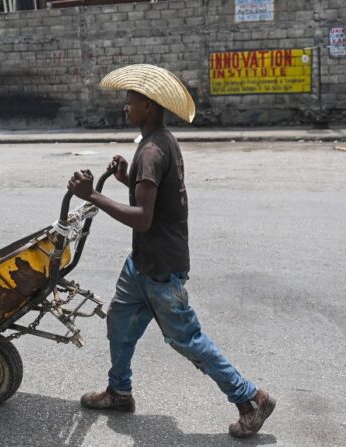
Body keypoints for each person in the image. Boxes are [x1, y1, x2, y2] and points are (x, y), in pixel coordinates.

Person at [66, 64, 275, 439]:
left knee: (187, 339)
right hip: (141, 265)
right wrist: (125, 178)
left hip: (160, 268)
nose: (125, 108)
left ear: (149, 106)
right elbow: (155, 197)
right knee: (119, 322)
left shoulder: (151, 151)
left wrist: (92, 195)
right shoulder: (160, 141)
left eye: (130, 102)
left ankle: (249, 399)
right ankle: (119, 391)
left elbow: (144, 218)